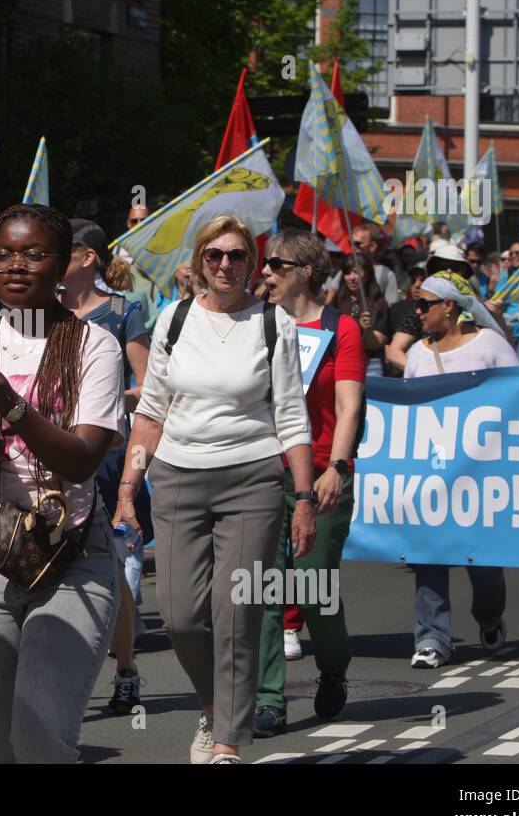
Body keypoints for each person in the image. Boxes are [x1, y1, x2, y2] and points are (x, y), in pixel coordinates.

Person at [0, 203, 126, 764]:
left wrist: (12, 409)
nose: (17, 265)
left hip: (71, 558)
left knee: (40, 740)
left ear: (61, 265)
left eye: (34, 254)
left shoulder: (94, 346)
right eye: (4, 254)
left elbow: (85, 459)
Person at [114, 215, 316, 763]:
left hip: (252, 480)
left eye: (237, 256)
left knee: (236, 611)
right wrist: (129, 486)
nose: (226, 265)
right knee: (179, 614)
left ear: (252, 263)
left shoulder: (274, 323)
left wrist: (303, 497)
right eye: (214, 255)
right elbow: (151, 412)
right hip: (177, 478)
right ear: (200, 260)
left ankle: (226, 741)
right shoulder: (173, 320)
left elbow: (293, 420)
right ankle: (212, 706)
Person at [251, 230, 365, 736]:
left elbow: (347, 406)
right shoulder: (255, 324)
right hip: (260, 474)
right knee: (266, 587)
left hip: (320, 473)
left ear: (307, 273)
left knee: (313, 585)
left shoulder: (340, 327)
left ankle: (334, 665)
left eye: (277, 264)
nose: (266, 272)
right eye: (265, 264)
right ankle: (269, 697)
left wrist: (337, 468)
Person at [60, 218, 153, 715]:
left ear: (88, 257)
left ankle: (126, 670)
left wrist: (103, 395)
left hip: (108, 457)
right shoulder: (46, 310)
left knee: (113, 571)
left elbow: (147, 384)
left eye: (64, 249)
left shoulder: (122, 309)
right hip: (55, 456)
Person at [404, 270, 518, 668]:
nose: (416, 312)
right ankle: (432, 637)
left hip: (480, 474)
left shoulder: (489, 345)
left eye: (424, 304)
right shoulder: (418, 353)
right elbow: (407, 411)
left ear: (448, 306)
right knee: (428, 555)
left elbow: (517, 393)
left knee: (482, 560)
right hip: (431, 474)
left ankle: (488, 616)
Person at [330, 253, 388, 377]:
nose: (351, 277)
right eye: (347, 273)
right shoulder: (336, 301)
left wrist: (365, 330)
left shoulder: (379, 303)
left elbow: (376, 344)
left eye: (356, 272)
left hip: (370, 362)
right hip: (341, 360)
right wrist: (358, 326)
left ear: (367, 274)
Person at [379, 265, 427, 376]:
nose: (417, 284)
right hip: (401, 376)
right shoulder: (395, 308)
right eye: (413, 280)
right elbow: (388, 348)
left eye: (422, 279)